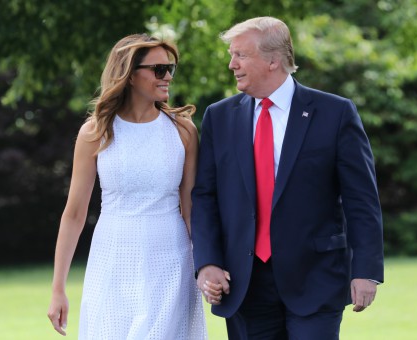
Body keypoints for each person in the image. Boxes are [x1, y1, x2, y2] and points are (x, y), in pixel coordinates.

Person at [191, 16, 384, 339]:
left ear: (273, 60)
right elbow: (205, 196)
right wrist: (207, 261)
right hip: (244, 282)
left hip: (316, 278)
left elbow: (361, 199)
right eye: (231, 55)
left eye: (240, 55)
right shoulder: (219, 117)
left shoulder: (335, 113)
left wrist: (366, 270)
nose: (231, 64)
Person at [47, 34, 207, 339]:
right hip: (112, 257)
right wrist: (58, 289)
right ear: (130, 74)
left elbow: (191, 206)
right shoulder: (96, 132)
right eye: (159, 69)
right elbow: (74, 214)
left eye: (170, 68)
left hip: (172, 259)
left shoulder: (183, 130)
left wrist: (206, 265)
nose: (168, 76)